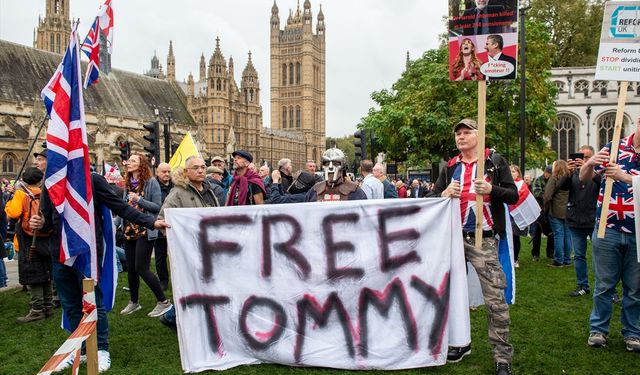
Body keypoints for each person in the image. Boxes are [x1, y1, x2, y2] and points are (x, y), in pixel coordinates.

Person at [31, 172, 164, 372]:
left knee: (93, 302)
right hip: (60, 253)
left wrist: (151, 222)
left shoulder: (91, 178)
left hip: (87, 252)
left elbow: (119, 206)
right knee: (70, 304)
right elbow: (50, 220)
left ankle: (101, 349)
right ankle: (79, 349)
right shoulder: (52, 180)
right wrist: (41, 224)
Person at [431, 118, 517, 375]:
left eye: (467, 132)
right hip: (454, 239)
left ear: (479, 136)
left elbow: (513, 195)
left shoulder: (494, 162)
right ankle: (458, 342)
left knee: (495, 300)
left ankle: (502, 356)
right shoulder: (450, 166)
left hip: (485, 239)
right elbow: (432, 198)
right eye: (458, 133)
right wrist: (443, 193)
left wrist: (492, 189)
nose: (461, 136)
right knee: (451, 295)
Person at [580, 117, 640, 353]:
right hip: (608, 228)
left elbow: (627, 179)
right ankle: (598, 330)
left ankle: (633, 333)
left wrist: (625, 177)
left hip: (637, 232)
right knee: (604, 285)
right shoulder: (614, 147)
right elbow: (584, 178)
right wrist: (591, 162)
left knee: (634, 289)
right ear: (638, 121)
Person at [154, 156, 221, 329]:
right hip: (189, 249)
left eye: (203, 167)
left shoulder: (208, 190)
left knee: (206, 283)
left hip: (209, 246)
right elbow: (163, 219)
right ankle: (172, 316)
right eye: (196, 168)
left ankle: (199, 317)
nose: (201, 171)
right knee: (194, 285)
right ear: (186, 171)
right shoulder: (177, 193)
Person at [120, 154, 172, 318]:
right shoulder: (128, 183)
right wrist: (116, 223)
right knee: (131, 269)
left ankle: (164, 302)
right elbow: (123, 206)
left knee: (141, 267)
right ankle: (134, 302)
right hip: (129, 229)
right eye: (129, 160)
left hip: (145, 230)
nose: (129, 163)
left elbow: (157, 206)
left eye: (133, 160)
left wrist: (139, 199)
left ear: (141, 164)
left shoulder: (152, 183)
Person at [5, 167, 53, 323]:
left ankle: (37, 310)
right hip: (45, 237)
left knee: (33, 274)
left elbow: (13, 213)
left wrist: (10, 201)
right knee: (46, 272)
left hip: (27, 239)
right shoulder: (46, 192)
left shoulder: (21, 194)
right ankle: (48, 306)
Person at [562, 146, 600, 297]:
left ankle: (606, 289)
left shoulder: (598, 173)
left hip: (594, 219)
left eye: (587, 157)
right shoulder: (573, 173)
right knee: (579, 256)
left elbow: (602, 184)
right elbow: (561, 187)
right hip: (575, 220)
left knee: (601, 257)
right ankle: (582, 285)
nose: (583, 160)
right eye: (580, 157)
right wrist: (568, 172)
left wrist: (589, 167)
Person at [544, 160, 572, 268]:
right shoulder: (570, 179)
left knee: (558, 235)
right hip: (568, 210)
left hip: (556, 210)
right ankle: (567, 259)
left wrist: (546, 207)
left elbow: (547, 195)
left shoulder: (554, 178)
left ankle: (558, 260)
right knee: (567, 235)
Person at [153, 162, 173, 291]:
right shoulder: (153, 187)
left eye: (168, 172)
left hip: (172, 227)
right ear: (157, 172)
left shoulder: (175, 186)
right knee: (160, 257)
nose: (166, 174)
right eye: (164, 172)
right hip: (159, 227)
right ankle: (163, 281)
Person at [531, 166, 554, 260]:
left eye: (551, 173)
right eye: (548, 173)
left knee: (551, 233)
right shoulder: (538, 180)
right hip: (538, 210)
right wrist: (548, 195)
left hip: (550, 210)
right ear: (545, 172)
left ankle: (550, 253)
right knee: (536, 233)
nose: (549, 175)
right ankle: (535, 254)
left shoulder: (553, 180)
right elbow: (536, 193)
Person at [509, 165, 528, 268]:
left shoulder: (522, 184)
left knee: (515, 236)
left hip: (516, 214)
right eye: (510, 171)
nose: (512, 173)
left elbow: (521, 197)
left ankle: (515, 258)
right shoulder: (505, 185)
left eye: (514, 171)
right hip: (507, 214)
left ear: (518, 173)